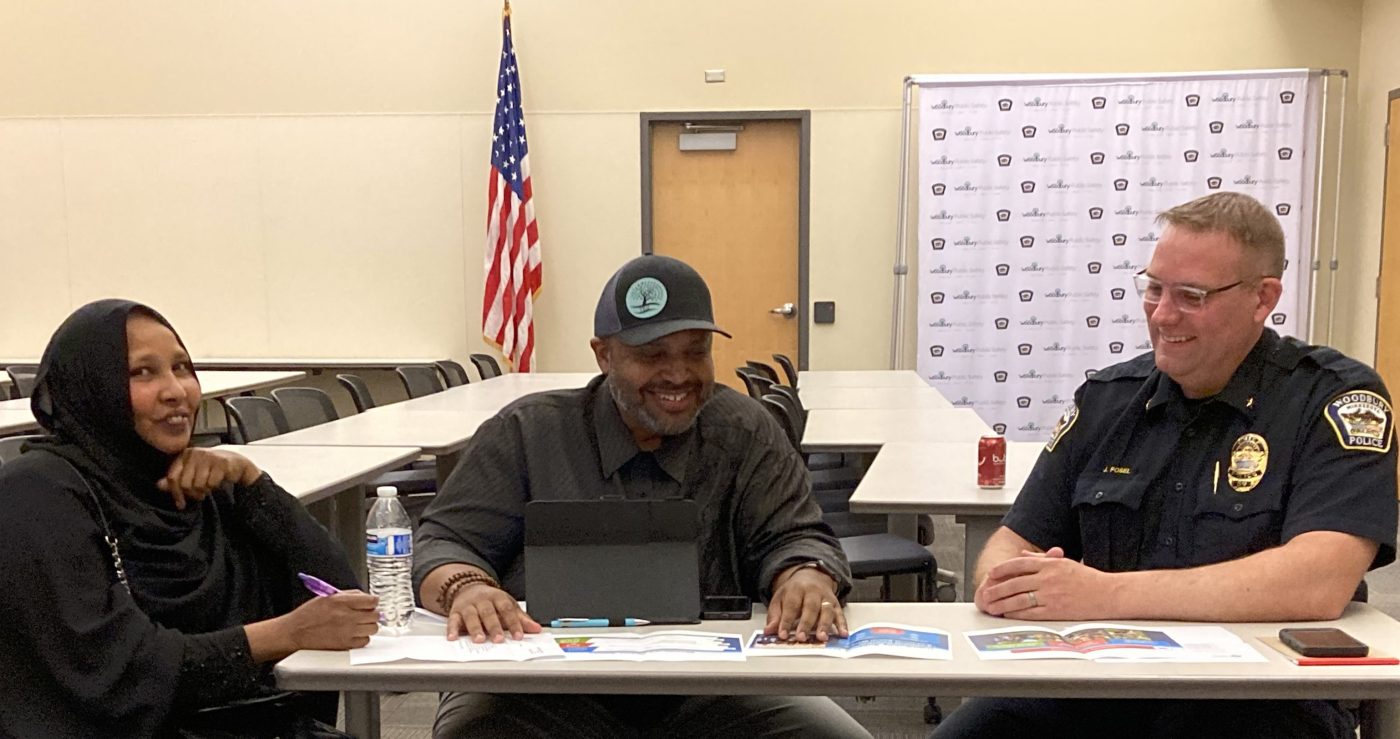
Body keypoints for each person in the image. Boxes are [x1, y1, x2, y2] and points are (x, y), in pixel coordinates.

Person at [933, 192, 1398, 739]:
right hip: (1102, 686)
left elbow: (1318, 581)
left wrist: (1103, 595)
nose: (1162, 314)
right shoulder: (1109, 400)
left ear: (1263, 298)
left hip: (1259, 693)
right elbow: (1013, 543)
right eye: (1154, 288)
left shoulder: (1333, 400)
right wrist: (1007, 584)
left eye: (1191, 296)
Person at [416, 254, 871, 738]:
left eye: (695, 352)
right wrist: (468, 589)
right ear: (603, 355)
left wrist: (805, 576)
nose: (678, 374)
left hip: (714, 682)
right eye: (653, 356)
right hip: (543, 683)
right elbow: (442, 543)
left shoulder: (744, 430)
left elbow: (797, 535)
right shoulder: (528, 432)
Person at [0, 299, 379, 737]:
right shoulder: (37, 493)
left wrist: (251, 481)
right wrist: (284, 635)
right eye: (143, 372)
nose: (176, 390)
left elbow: (337, 594)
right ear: (92, 387)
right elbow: (119, 670)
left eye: (182, 368)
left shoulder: (197, 488)